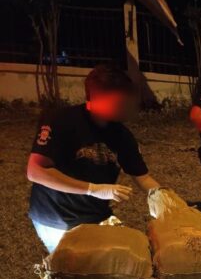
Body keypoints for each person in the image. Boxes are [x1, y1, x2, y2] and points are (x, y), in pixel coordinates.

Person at [26, 65, 160, 253]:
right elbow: (35, 171)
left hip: (97, 215)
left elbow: (142, 177)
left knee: (122, 259)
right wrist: (93, 189)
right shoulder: (61, 120)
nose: (128, 108)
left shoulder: (121, 134)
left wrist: (165, 198)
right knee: (77, 267)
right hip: (58, 217)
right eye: (120, 102)